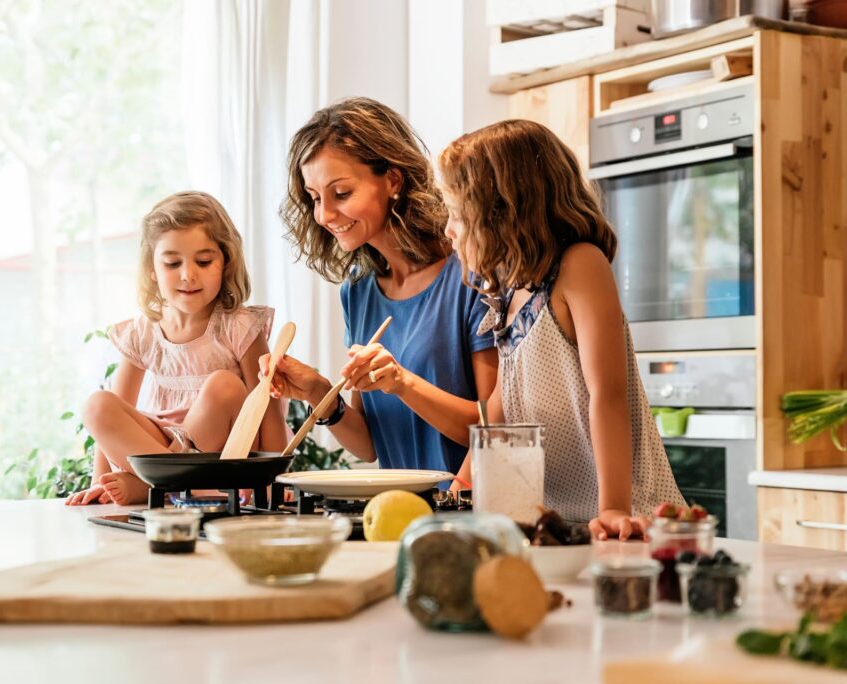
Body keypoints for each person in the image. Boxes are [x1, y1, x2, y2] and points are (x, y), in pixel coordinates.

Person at [438, 118, 685, 540]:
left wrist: (613, 508)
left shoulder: (580, 266)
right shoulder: (509, 289)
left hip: (626, 518)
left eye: (458, 215)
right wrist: (459, 489)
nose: (449, 230)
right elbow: (500, 407)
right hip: (557, 523)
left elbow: (608, 395)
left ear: (503, 210)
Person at [262, 97, 497, 476]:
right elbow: (370, 445)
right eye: (315, 198)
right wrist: (320, 393)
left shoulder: (471, 275)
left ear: (392, 180)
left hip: (465, 515)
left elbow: (496, 432)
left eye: (341, 194)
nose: (323, 215)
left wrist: (402, 382)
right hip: (397, 516)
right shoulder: (358, 293)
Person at [65, 191, 287, 506]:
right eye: (172, 263)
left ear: (225, 262)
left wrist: (271, 484)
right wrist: (97, 481)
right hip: (160, 447)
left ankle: (161, 486)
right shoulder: (142, 331)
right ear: (153, 270)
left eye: (204, 261)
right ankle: (178, 487)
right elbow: (118, 408)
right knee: (98, 405)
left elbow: (268, 410)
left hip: (219, 456)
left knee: (223, 385)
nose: (188, 274)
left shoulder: (239, 326)